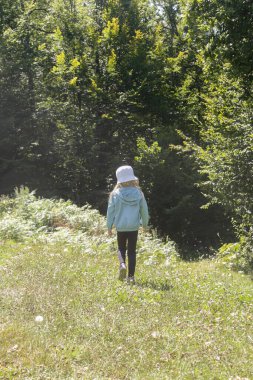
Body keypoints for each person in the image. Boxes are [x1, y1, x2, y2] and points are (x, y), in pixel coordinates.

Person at [107, 165, 149, 284]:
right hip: (133, 227)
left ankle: (122, 264)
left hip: (120, 227)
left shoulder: (114, 194)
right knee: (132, 251)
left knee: (120, 248)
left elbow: (110, 212)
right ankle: (131, 277)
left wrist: (109, 226)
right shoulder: (139, 193)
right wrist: (144, 225)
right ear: (132, 178)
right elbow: (144, 211)